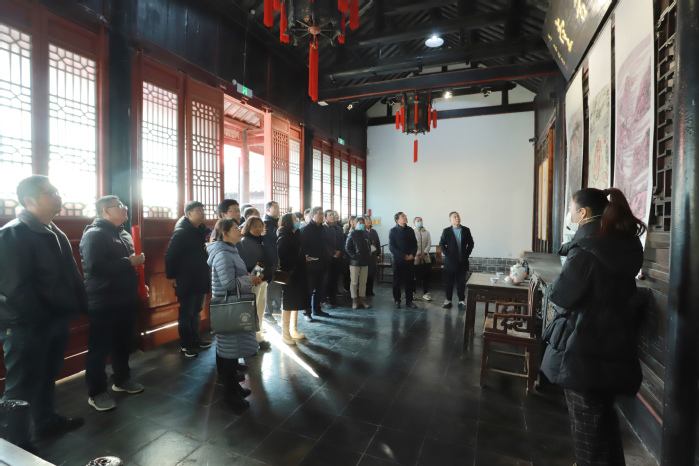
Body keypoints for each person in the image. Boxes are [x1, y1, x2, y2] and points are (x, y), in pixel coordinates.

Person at [541, 188, 646, 466]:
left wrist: (552, 288)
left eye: (571, 209)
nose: (569, 214)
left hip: (583, 346)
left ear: (583, 213)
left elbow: (563, 294)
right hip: (612, 340)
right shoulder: (622, 242)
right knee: (604, 423)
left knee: (587, 429)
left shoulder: (588, 248)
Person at [0, 175, 86, 447]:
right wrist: (39, 319)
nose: (58, 196)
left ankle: (47, 422)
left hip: (54, 318)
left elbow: (70, 274)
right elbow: (15, 288)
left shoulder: (53, 230)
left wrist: (80, 305)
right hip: (27, 324)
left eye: (58, 191)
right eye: (50, 192)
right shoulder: (14, 233)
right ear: (29, 200)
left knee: (48, 374)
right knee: (21, 385)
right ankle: (15, 445)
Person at [79, 195, 147, 412]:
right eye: (119, 206)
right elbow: (95, 267)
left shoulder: (124, 233)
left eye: (124, 205)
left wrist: (139, 284)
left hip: (125, 298)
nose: (124, 208)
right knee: (99, 349)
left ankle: (122, 379)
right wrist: (129, 262)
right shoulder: (94, 234)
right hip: (104, 300)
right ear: (105, 211)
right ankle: (97, 392)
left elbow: (132, 268)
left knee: (122, 343)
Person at [207, 218, 259, 409]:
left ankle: (234, 388)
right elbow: (229, 284)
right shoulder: (223, 254)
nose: (240, 230)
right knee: (229, 354)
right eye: (236, 228)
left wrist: (247, 277)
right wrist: (250, 280)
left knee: (231, 352)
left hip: (233, 305)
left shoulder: (230, 250)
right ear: (225, 233)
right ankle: (230, 395)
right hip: (229, 307)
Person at [164, 201, 213, 358]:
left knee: (197, 311)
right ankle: (185, 345)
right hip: (186, 278)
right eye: (199, 210)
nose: (202, 213)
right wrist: (171, 276)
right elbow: (169, 255)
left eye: (203, 210)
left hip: (199, 276)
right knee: (187, 313)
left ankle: (195, 339)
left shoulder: (199, 230)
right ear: (189, 213)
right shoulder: (182, 232)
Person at [236, 216, 272, 350]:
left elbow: (265, 261)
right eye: (255, 226)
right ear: (248, 227)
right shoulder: (244, 242)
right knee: (252, 311)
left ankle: (258, 336)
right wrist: (257, 276)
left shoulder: (262, 240)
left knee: (260, 310)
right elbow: (246, 263)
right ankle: (252, 339)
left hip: (262, 280)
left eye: (260, 226)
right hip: (253, 281)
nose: (258, 229)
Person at [277, 213, 309, 345]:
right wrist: (300, 259)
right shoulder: (284, 237)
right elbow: (284, 257)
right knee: (288, 304)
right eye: (295, 219)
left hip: (299, 273)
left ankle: (293, 329)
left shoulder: (297, 234)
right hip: (290, 275)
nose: (298, 221)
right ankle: (285, 334)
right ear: (288, 222)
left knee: (296, 302)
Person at [439, 212, 474, 309]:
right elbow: (442, 244)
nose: (457, 218)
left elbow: (471, 243)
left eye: (458, 216)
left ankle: (461, 300)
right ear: (450, 220)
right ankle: (448, 300)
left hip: (462, 261)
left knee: (461, 282)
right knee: (449, 282)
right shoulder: (446, 231)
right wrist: (447, 254)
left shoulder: (466, 230)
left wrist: (467, 253)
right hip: (450, 262)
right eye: (455, 217)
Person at [300, 206, 330, 320]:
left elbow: (326, 244)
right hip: (311, 264)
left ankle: (317, 309)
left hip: (323, 263)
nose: (322, 216)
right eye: (320, 214)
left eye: (323, 214)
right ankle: (307, 312)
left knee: (320, 288)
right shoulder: (305, 230)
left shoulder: (324, 229)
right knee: (309, 290)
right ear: (313, 215)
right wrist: (305, 256)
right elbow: (301, 246)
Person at [389, 212, 418, 309]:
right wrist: (403, 256)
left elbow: (414, 244)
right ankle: (397, 300)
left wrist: (412, 254)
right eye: (403, 217)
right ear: (397, 220)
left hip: (410, 259)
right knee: (397, 281)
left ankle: (409, 300)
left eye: (405, 216)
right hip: (398, 260)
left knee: (409, 280)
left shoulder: (410, 230)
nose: (405, 217)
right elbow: (391, 246)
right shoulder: (393, 231)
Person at [345, 217, 371, 309]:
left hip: (365, 261)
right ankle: (354, 299)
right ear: (355, 224)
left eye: (363, 223)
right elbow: (347, 248)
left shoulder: (365, 234)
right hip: (355, 262)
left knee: (363, 282)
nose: (362, 225)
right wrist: (354, 256)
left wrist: (368, 255)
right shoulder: (352, 234)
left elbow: (369, 246)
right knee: (354, 282)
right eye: (360, 223)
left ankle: (362, 298)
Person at [263, 201, 281, 324]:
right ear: (268, 210)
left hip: (277, 257)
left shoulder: (276, 222)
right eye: (275, 207)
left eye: (278, 207)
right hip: (269, 258)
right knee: (269, 286)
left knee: (277, 284)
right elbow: (275, 234)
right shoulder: (266, 223)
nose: (278, 209)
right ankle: (267, 313)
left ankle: (276, 308)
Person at [321, 209, 344, 308]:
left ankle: (333, 298)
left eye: (334, 214)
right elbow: (323, 243)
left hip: (337, 258)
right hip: (327, 257)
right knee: (326, 279)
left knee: (335, 279)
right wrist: (333, 252)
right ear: (325, 218)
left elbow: (342, 241)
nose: (333, 216)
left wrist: (339, 251)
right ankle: (324, 299)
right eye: (330, 215)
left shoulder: (338, 228)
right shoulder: (323, 228)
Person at [413, 217, 433, 301]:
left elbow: (429, 243)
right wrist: (418, 253)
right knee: (414, 277)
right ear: (414, 223)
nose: (420, 222)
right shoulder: (412, 232)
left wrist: (424, 252)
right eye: (418, 221)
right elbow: (412, 244)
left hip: (425, 258)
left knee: (426, 277)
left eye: (421, 221)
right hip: (415, 258)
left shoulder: (426, 232)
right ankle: (413, 293)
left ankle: (425, 293)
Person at [364, 215, 381, 297]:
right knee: (365, 274)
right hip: (364, 255)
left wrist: (378, 254)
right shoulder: (362, 231)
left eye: (369, 220)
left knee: (371, 273)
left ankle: (370, 290)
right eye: (366, 220)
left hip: (373, 254)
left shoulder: (374, 231)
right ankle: (364, 290)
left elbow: (377, 243)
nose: (368, 221)